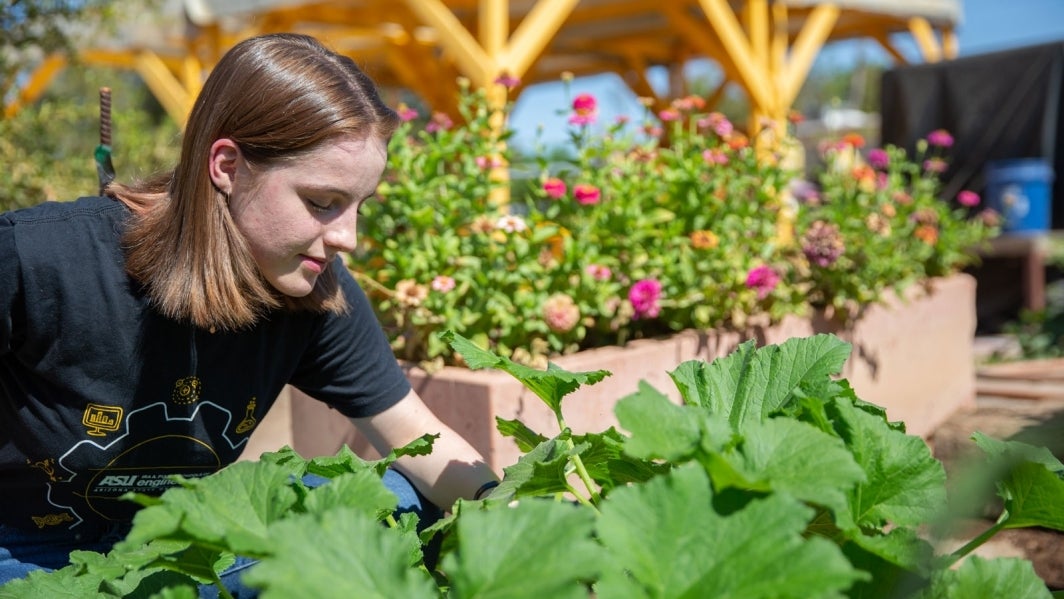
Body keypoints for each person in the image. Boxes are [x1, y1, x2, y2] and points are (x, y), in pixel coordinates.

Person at [0, 32, 499, 592]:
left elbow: (416, 435)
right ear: (227, 166)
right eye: (321, 202)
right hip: (22, 550)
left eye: (360, 206)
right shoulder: (36, 260)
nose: (349, 237)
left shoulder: (313, 291)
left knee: (402, 500)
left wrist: (512, 513)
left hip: (187, 543)